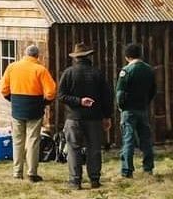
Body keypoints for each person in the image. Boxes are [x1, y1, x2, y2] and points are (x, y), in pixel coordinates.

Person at [57, 43, 113, 189]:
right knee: (94, 149)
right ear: (88, 56)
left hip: (74, 117)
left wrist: (78, 101)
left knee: (73, 149)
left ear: (75, 58)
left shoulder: (68, 73)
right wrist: (107, 116)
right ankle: (94, 179)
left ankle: (75, 181)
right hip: (94, 118)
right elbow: (107, 97)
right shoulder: (97, 73)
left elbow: (61, 96)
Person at [0, 45, 57, 182]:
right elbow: (51, 92)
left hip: (17, 108)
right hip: (35, 109)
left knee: (17, 141)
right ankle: (32, 173)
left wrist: (13, 100)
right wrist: (44, 103)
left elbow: (4, 90)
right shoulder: (40, 70)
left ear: (24, 54)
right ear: (37, 56)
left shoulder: (12, 67)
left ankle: (17, 172)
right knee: (32, 141)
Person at [116, 43, 157, 178]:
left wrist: (120, 106)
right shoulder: (149, 70)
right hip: (142, 108)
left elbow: (120, 92)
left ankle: (127, 171)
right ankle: (148, 168)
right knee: (146, 139)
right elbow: (153, 91)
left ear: (127, 57)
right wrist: (145, 102)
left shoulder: (126, 71)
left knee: (128, 139)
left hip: (128, 109)